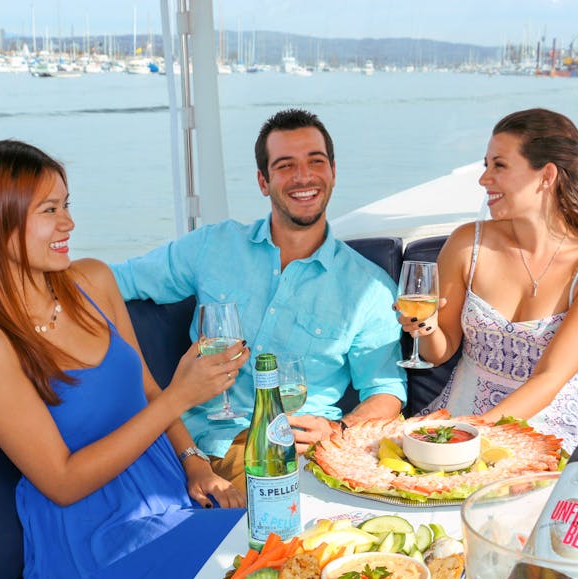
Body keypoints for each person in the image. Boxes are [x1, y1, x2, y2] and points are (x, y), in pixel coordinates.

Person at [0, 139, 248, 579]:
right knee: (272, 557)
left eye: (66, 205)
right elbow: (64, 483)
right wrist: (182, 395)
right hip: (100, 539)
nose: (68, 222)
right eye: (49, 210)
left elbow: (147, 391)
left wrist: (195, 462)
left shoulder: (91, 281)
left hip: (169, 494)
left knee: (295, 538)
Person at [112, 108, 406, 484]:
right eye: (285, 166)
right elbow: (117, 281)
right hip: (193, 444)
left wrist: (339, 429)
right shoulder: (212, 246)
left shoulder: (370, 287)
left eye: (316, 162)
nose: (303, 176)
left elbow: (386, 389)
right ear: (263, 181)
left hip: (293, 453)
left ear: (333, 172)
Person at [402, 108, 578, 452]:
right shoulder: (467, 243)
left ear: (546, 176)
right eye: (486, 165)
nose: (484, 179)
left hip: (548, 428)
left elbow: (549, 378)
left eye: (499, 166)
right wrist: (424, 328)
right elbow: (440, 352)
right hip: (462, 415)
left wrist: (471, 431)